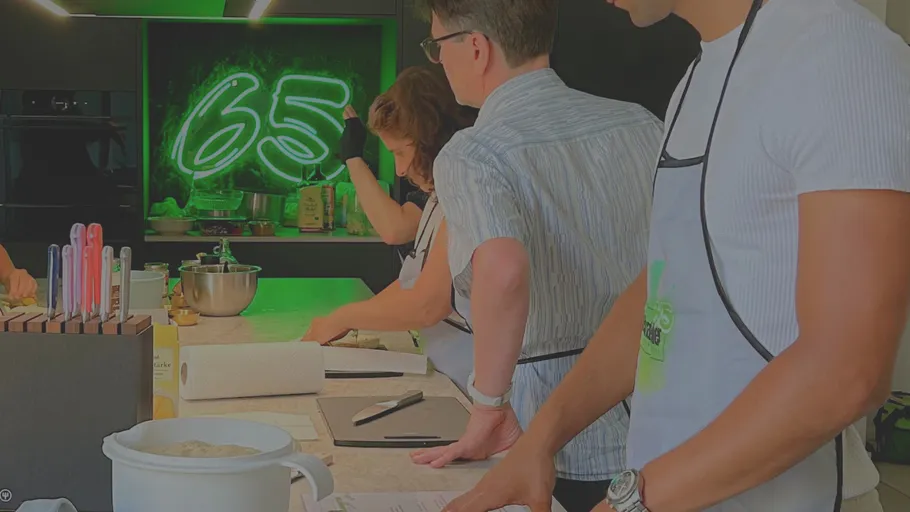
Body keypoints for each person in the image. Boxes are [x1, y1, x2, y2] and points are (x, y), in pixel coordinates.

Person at [442, 0, 910, 511]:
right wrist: (539, 441)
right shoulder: (697, 77)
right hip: (669, 491)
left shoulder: (838, 51)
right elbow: (665, 288)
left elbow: (846, 369)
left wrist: (632, 503)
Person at [407, 1, 664, 510]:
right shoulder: (641, 124)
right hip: (661, 426)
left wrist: (488, 408)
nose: (440, 62)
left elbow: (502, 272)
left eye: (439, 47)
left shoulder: (474, 153)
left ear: (476, 48)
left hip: (549, 443)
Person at [302, 66, 478, 393]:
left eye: (400, 152)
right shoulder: (439, 199)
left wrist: (344, 317)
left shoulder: (468, 199)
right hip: (447, 376)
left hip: (471, 382)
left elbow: (427, 303)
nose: (399, 169)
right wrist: (344, 319)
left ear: (431, 138)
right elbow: (413, 284)